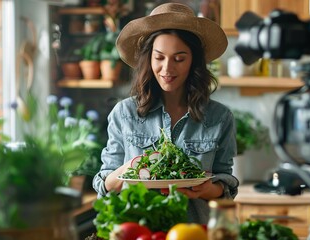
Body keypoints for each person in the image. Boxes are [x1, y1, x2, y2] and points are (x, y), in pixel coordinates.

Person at [92, 2, 238, 224]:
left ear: (193, 62)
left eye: (179, 59)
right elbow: (104, 185)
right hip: (139, 231)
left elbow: (226, 184)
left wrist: (206, 190)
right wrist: (129, 171)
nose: (167, 68)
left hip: (194, 232)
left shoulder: (219, 117)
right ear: (149, 59)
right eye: (159, 57)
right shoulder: (124, 113)